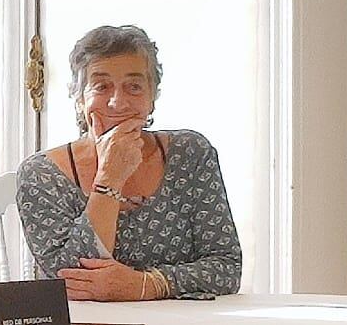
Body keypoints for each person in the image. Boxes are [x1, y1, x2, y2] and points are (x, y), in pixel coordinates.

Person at [15, 24, 242, 300]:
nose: (117, 102)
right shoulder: (41, 174)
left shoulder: (191, 153)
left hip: (183, 321)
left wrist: (146, 285)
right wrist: (110, 176)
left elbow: (226, 267)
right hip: (86, 324)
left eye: (134, 87)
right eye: (101, 86)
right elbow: (69, 280)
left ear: (152, 98)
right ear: (79, 98)